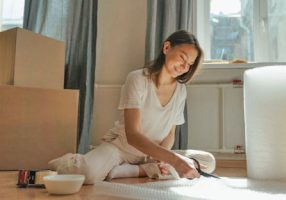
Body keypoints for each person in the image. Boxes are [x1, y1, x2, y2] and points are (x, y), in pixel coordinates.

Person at [48, 30, 216, 184]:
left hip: (153, 154)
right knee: (88, 174)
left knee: (207, 161)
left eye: (190, 64)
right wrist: (174, 161)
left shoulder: (181, 90)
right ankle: (71, 161)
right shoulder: (137, 79)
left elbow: (171, 133)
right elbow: (133, 135)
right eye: (182, 57)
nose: (184, 66)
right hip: (122, 148)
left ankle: (136, 170)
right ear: (166, 47)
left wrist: (161, 158)